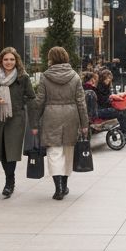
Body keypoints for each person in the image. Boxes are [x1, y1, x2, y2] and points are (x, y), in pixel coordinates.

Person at [30, 46, 90, 200]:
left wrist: (35, 123)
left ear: (51, 59)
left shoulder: (45, 76)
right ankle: (65, 185)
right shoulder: (75, 77)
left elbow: (39, 101)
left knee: (54, 152)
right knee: (68, 151)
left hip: (51, 116)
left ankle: (58, 188)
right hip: (71, 116)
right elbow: (81, 103)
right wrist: (84, 124)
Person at [0, 46, 36, 199]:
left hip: (16, 119)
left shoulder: (23, 77)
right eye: (5, 59)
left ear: (16, 61)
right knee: (1, 151)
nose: (8, 62)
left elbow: (31, 97)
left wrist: (19, 105)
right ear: (1, 60)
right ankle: (9, 178)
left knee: (11, 151)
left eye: (12, 59)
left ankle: (9, 182)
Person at [97, 69, 126, 141]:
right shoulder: (99, 87)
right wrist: (111, 98)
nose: (108, 80)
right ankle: (125, 132)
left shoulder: (106, 86)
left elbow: (108, 98)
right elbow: (102, 101)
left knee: (123, 108)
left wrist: (116, 97)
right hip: (100, 109)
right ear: (103, 78)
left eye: (110, 78)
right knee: (119, 112)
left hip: (106, 106)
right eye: (107, 78)